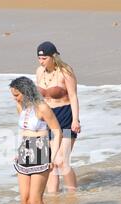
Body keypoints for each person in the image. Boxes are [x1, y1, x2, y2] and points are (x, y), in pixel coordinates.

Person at [10, 76, 62, 204]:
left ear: (26, 92)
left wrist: (52, 157)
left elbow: (57, 132)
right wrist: (19, 150)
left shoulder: (42, 107)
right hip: (24, 151)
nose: (15, 99)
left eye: (17, 95)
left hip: (41, 151)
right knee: (24, 200)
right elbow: (24, 130)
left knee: (35, 201)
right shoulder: (21, 106)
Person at [35, 41, 81, 193]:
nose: (41, 62)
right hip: (48, 119)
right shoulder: (39, 72)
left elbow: (73, 96)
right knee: (51, 162)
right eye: (39, 58)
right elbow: (38, 99)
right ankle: (53, 196)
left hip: (66, 118)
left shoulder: (65, 71)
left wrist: (75, 119)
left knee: (62, 160)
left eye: (44, 58)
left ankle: (73, 194)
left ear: (53, 57)